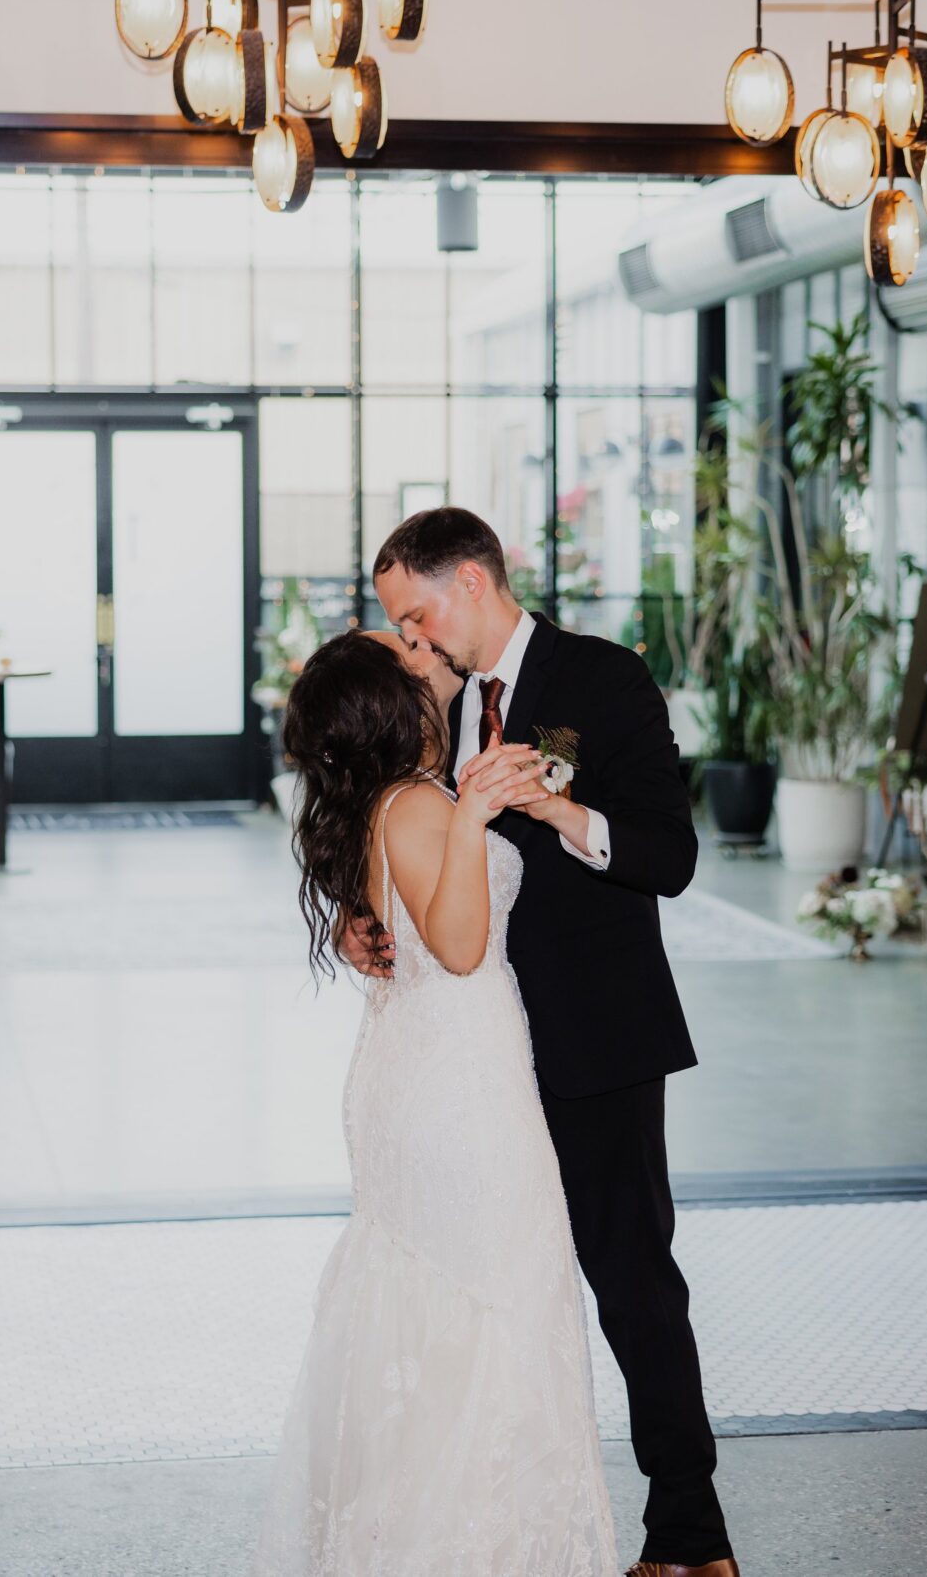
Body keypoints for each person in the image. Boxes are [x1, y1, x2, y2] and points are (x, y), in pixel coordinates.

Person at [362, 508, 737, 1577]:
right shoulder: (428, 706)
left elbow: (668, 854)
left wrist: (561, 810)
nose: (415, 643)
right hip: (468, 1052)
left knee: (630, 1281)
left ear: (473, 580)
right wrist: (375, 920)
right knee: (486, 1285)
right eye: (399, 628)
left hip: (591, 1034)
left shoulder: (602, 679)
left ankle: (689, 1538)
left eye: (419, 616)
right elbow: (412, 836)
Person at [251, 629, 616, 1575]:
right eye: (407, 661)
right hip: (460, 1088)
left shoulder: (385, 804)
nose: (423, 659)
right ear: (393, 707)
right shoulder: (417, 804)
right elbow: (457, 946)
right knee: (496, 1308)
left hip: (421, 1071)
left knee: (436, 1310)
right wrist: (472, 814)